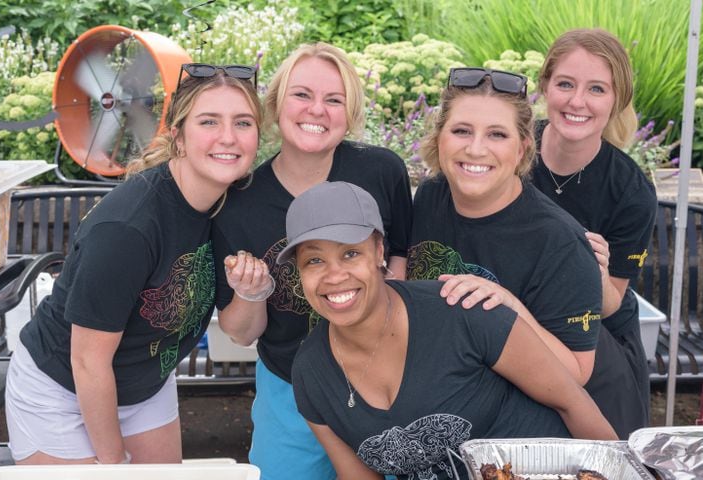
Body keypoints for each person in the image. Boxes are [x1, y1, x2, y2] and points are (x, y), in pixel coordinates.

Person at [5, 63, 262, 464]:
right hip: (64, 389)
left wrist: (253, 292)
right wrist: (116, 466)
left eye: (243, 122)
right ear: (178, 135)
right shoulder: (128, 228)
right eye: (209, 121)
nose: (228, 137)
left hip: (145, 383)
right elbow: (88, 362)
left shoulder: (231, 204)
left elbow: (242, 334)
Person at [284, 181, 617, 480]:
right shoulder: (311, 372)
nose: (334, 275)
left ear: (379, 252)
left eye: (351, 253)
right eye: (314, 261)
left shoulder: (460, 311)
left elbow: (574, 405)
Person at [212, 42, 412, 480]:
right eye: (302, 94)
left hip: (384, 379)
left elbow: (401, 257)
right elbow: (241, 333)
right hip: (289, 387)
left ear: (350, 111)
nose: (316, 110)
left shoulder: (381, 171)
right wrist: (251, 292)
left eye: (334, 99)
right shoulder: (238, 203)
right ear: (277, 102)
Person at [408, 68, 603, 390]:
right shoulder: (431, 197)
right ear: (438, 137)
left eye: (497, 134)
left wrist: (510, 308)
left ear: (522, 149)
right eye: (461, 131)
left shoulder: (559, 243)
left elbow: (577, 372)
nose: (475, 149)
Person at [530, 28, 657, 438]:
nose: (577, 101)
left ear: (616, 100)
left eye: (597, 89)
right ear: (545, 86)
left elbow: (610, 302)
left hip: (599, 338)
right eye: (565, 84)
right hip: (515, 327)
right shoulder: (509, 152)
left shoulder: (631, 191)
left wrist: (596, 273)